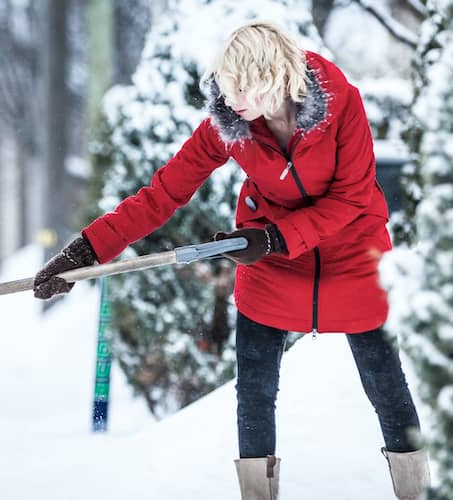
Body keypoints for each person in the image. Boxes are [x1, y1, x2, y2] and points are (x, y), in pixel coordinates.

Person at [32, 20, 430, 500]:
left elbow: (351, 199)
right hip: (270, 255)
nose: (230, 98)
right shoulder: (230, 124)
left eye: (242, 86)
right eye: (225, 85)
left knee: (385, 383)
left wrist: (276, 237)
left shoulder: (341, 102)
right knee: (254, 392)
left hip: (350, 250)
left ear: (274, 76)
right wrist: (85, 253)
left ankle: (415, 492)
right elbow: (162, 194)